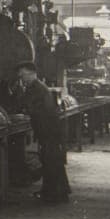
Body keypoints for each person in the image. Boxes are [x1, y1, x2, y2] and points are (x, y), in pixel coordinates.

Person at [15, 60, 71, 204]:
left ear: (31, 74)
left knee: (51, 161)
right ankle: (53, 192)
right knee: (51, 161)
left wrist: (21, 100)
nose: (21, 79)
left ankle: (55, 195)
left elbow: (27, 106)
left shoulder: (36, 88)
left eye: (22, 76)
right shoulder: (36, 87)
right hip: (48, 129)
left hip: (49, 130)